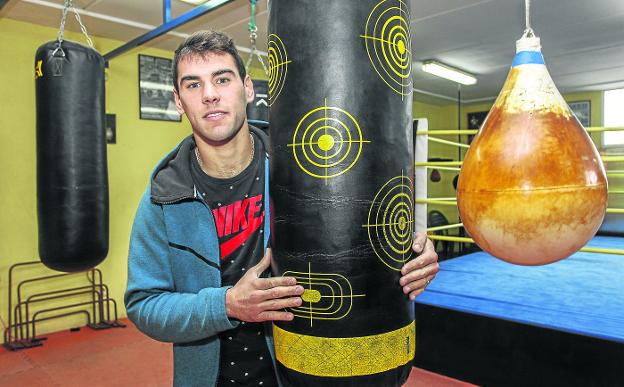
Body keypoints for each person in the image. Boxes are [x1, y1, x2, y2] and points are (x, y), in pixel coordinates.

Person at [125, 30, 439, 387]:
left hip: (299, 374)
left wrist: (409, 255)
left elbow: (356, 236)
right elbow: (144, 305)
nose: (210, 95)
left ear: (248, 88)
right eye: (193, 85)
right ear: (179, 102)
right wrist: (226, 304)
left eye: (222, 79)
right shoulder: (164, 198)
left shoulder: (308, 167)